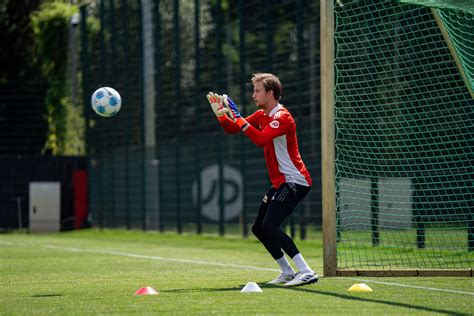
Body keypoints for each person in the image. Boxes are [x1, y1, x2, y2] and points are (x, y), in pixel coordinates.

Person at [206, 73, 318, 287]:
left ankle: (306, 271)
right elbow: (233, 128)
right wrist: (222, 115)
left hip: (295, 181)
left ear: (270, 93)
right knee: (259, 227)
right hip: (281, 183)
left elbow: (261, 139)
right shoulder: (261, 114)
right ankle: (287, 272)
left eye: (257, 91)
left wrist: (237, 115)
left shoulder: (282, 117)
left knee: (270, 225)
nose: (253, 94)